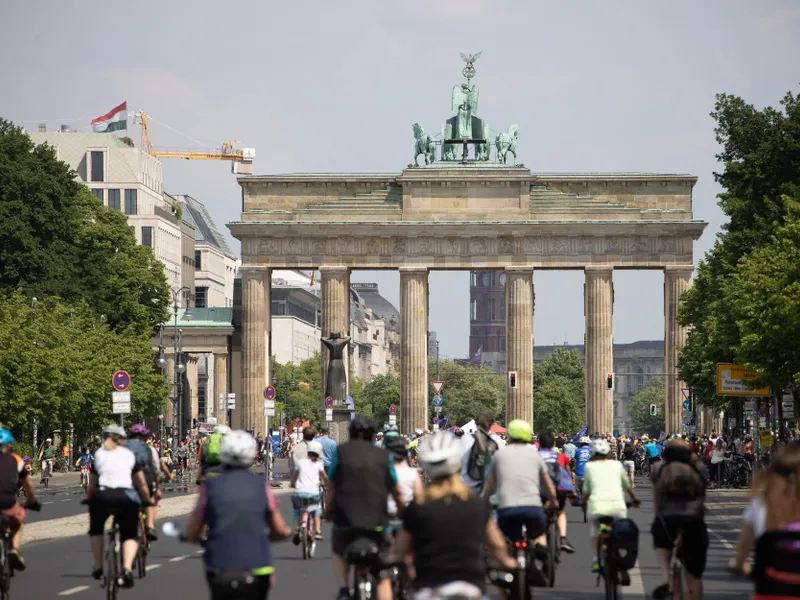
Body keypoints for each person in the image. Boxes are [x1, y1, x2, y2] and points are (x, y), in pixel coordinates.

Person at [388, 432, 517, 600]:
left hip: (428, 589)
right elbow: (497, 546)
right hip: (470, 588)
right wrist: (510, 563)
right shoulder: (476, 505)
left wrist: (388, 561)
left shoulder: (418, 508)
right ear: (458, 464)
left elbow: (400, 551)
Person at [186, 430, 291, 600]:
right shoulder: (261, 487)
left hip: (220, 566)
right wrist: (279, 535)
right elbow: (279, 529)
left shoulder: (210, 488)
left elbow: (192, 532)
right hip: (258, 567)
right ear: (251, 455)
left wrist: (203, 539)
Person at [325, 415, 406, 600]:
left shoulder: (341, 452)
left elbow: (331, 488)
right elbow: (397, 491)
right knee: (383, 574)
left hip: (345, 521)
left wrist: (329, 511)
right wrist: (402, 510)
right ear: (373, 436)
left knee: (338, 550)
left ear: (351, 434)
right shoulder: (385, 456)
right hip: (378, 523)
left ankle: (344, 588)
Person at [87, 424, 151, 588]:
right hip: (125, 496)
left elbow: (91, 483)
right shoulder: (128, 454)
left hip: (102, 496)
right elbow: (141, 483)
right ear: (122, 440)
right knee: (130, 534)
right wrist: (146, 499)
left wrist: (88, 498)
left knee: (96, 530)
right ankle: (127, 569)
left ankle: (99, 567)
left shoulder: (99, 454)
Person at [482, 420, 558, 553]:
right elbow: (547, 484)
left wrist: (483, 503)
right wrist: (553, 500)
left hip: (506, 509)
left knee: (503, 539)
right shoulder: (535, 455)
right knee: (539, 535)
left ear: (509, 435)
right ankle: (542, 559)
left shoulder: (499, 455)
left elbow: (489, 486)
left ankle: (504, 563)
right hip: (533, 508)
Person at [650, 438, 709, 600]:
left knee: (662, 544)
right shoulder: (699, 468)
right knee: (695, 574)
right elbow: (703, 495)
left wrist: (658, 516)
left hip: (667, 518)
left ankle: (665, 577)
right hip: (693, 519)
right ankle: (694, 591)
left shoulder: (659, 467)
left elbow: (656, 498)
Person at [582, 438, 640, 577]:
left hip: (596, 508)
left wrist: (583, 502)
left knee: (595, 529)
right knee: (621, 530)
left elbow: (586, 490)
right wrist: (633, 499)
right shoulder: (616, 465)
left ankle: (596, 560)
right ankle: (623, 562)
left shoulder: (589, 467)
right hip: (617, 507)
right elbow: (626, 486)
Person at [0, 429, 38, 570]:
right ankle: (14, 549)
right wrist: (31, 500)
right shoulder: (15, 459)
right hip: (8, 501)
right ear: (8, 444)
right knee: (18, 523)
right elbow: (28, 484)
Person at [537, 429, 576, 553]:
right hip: (558, 489)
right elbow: (566, 473)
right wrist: (572, 490)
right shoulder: (559, 456)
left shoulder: (534, 455)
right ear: (553, 444)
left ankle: (538, 540)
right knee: (560, 512)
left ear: (539, 443)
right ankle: (563, 538)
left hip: (539, 489)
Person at [126, 424, 161, 540]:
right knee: (150, 499)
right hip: (146, 479)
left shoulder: (123, 447)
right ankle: (150, 526)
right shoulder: (149, 449)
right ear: (145, 437)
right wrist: (158, 487)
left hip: (125, 480)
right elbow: (156, 469)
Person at [290, 440, 327, 541]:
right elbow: (324, 477)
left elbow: (294, 477)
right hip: (313, 494)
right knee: (316, 511)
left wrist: (292, 483)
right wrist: (326, 484)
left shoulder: (300, 462)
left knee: (297, 511)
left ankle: (297, 529)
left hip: (300, 492)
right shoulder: (319, 464)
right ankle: (318, 531)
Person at [460, 411, 501, 493]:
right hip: (488, 488)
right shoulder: (497, 441)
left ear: (475, 423)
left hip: (467, 488)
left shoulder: (465, 439)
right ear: (491, 424)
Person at [384, 435, 422, 519]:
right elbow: (419, 497)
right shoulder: (413, 473)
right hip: (407, 516)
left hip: (386, 515)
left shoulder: (382, 472)